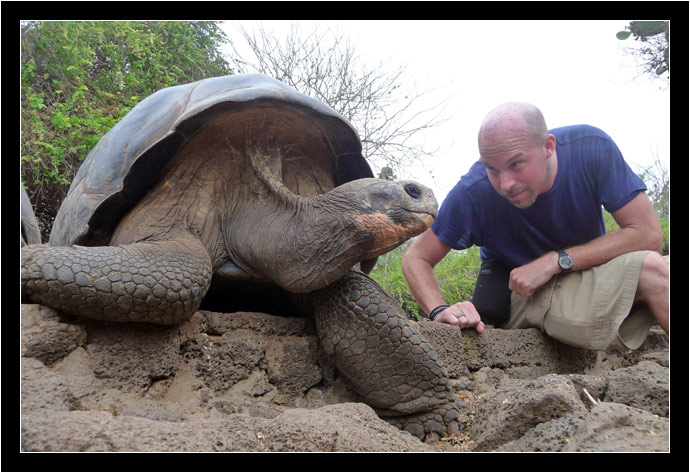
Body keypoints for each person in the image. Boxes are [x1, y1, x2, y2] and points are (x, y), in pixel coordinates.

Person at [402, 102, 669, 351]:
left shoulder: (591, 148)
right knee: (654, 271)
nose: (505, 184)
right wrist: (438, 311)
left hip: (586, 269)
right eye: (492, 169)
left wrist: (557, 260)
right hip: (521, 290)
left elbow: (647, 235)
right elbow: (417, 258)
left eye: (516, 164)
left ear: (549, 147)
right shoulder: (473, 191)